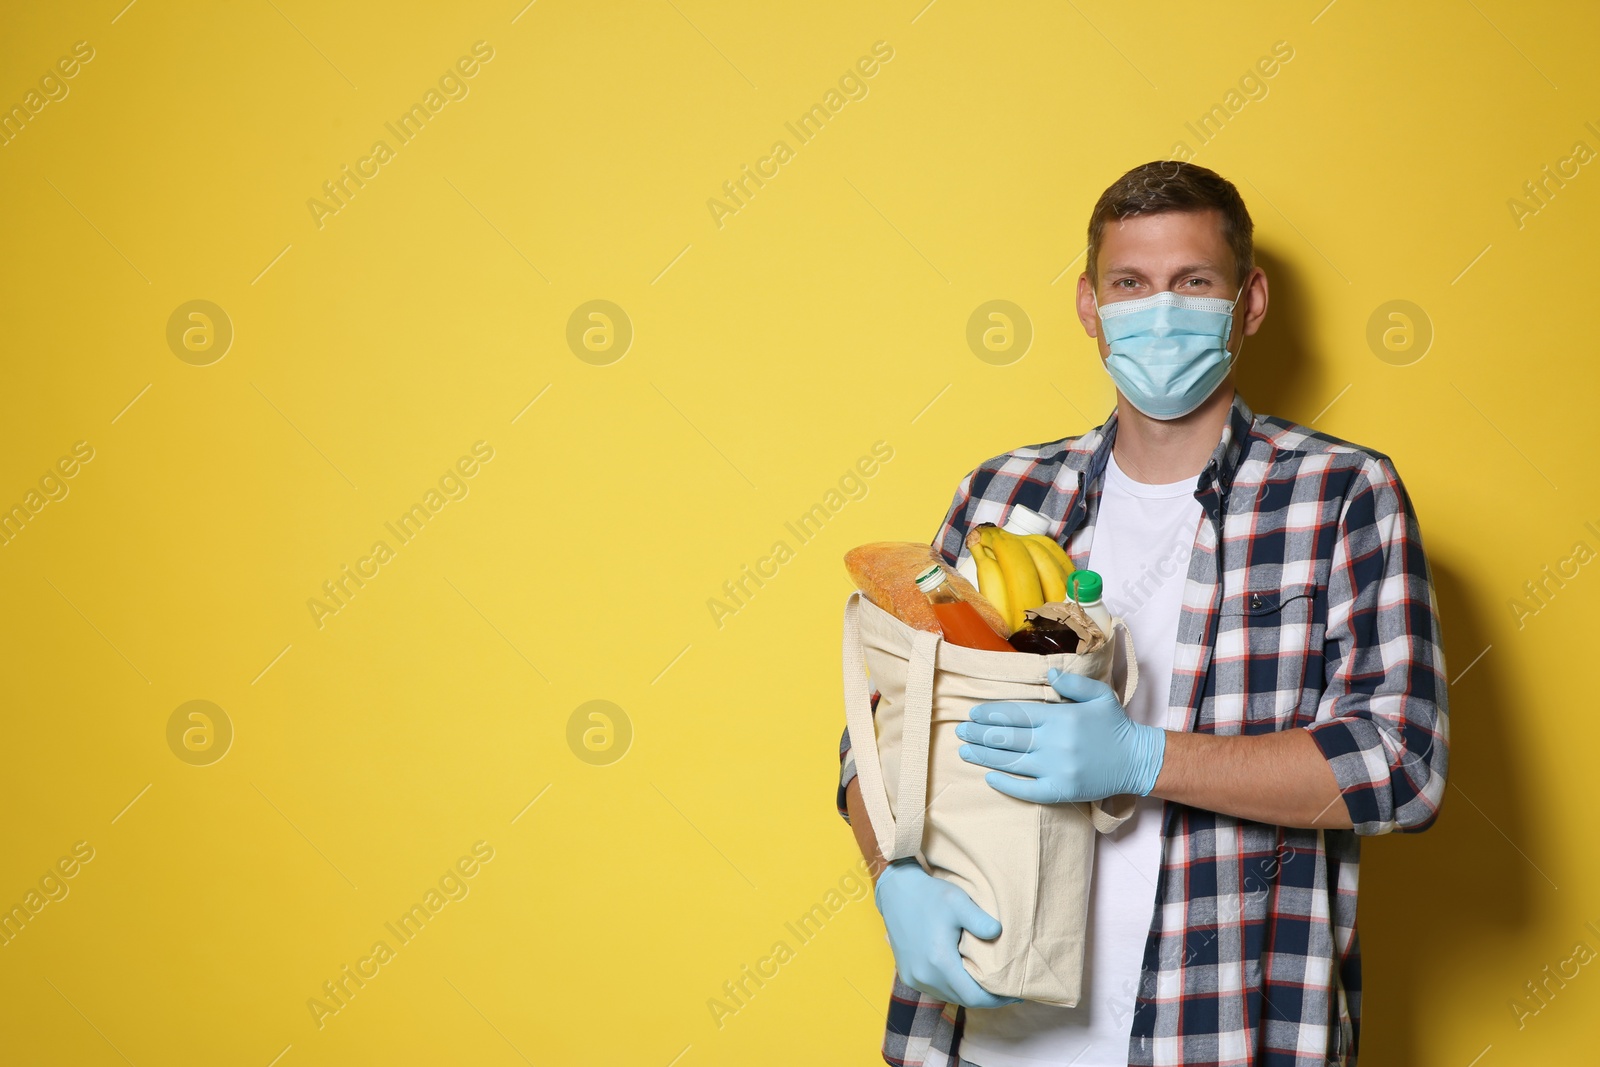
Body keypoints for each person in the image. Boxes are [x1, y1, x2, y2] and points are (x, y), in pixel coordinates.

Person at [836, 160, 1449, 1066]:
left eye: (1193, 282)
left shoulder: (1342, 494)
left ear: (1250, 301)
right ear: (1089, 306)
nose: (1159, 309)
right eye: (1131, 284)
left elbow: (1404, 767)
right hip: (978, 1033)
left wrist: (1143, 757)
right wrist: (894, 879)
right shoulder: (1004, 496)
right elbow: (878, 734)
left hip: (1220, 1030)